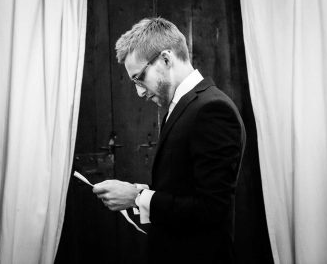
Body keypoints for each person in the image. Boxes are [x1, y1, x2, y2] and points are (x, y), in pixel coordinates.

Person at [92, 17, 246, 264]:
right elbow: (185, 190)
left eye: (139, 78)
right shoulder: (183, 107)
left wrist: (136, 198)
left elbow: (211, 209)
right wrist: (143, 193)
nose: (140, 92)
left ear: (166, 59)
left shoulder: (212, 109)